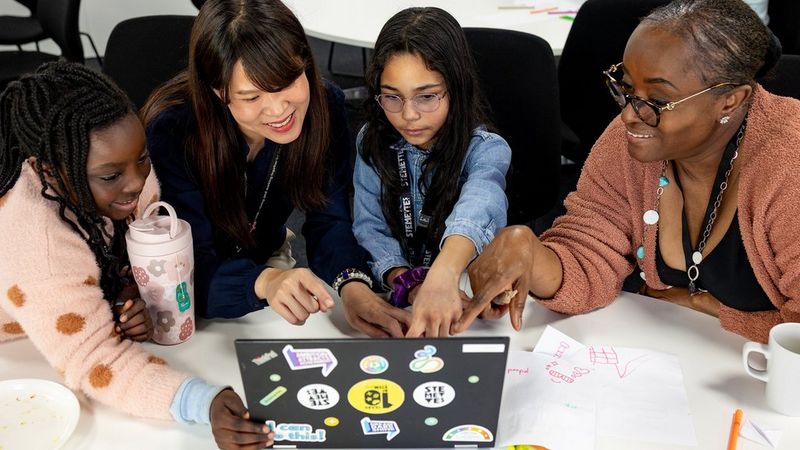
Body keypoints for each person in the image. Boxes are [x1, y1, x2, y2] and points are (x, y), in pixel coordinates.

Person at [457, 0, 800, 343]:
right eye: (627, 87)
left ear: (731, 100)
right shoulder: (628, 142)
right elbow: (590, 250)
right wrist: (533, 258)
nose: (629, 116)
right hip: (681, 362)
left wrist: (721, 316)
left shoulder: (789, 167)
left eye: (658, 100)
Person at [0, 62, 273, 449]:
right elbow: (96, 361)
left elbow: (123, 257)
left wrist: (128, 294)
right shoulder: (36, 243)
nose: (138, 182)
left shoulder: (120, 176)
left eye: (142, 157)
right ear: (52, 171)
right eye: (111, 176)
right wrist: (202, 401)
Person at [143, 0, 410, 337]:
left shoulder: (324, 105)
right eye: (252, 98)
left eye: (286, 82)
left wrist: (353, 286)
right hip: (193, 285)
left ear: (305, 64)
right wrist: (266, 280)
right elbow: (184, 274)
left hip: (268, 262)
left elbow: (329, 218)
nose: (279, 109)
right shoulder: (173, 130)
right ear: (217, 91)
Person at [353, 7, 512, 338]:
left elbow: (481, 201)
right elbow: (370, 229)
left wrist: (443, 275)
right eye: (392, 97)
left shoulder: (486, 148)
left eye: (426, 97)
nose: (409, 115)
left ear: (456, 86)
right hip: (398, 297)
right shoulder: (372, 141)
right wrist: (411, 284)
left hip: (468, 297)